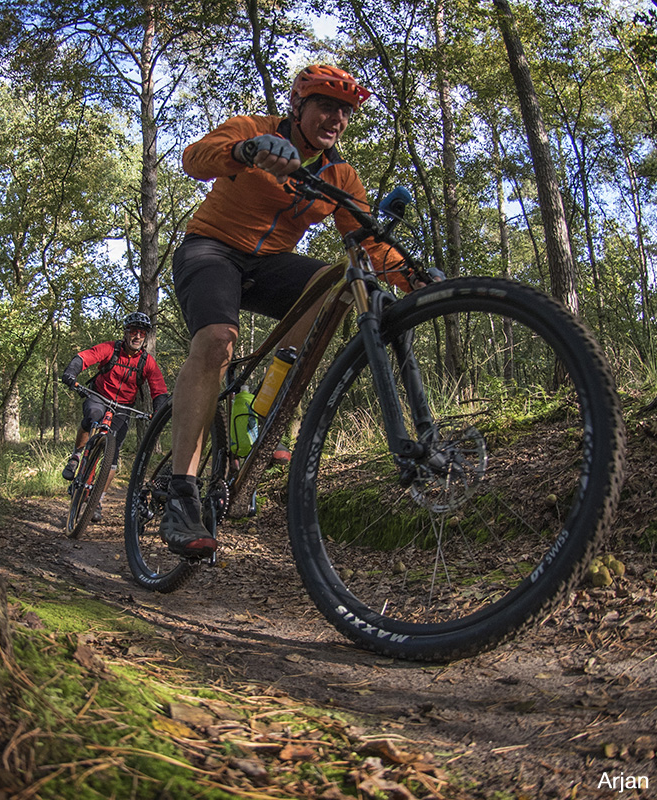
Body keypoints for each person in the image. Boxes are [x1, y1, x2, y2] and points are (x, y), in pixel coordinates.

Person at [162, 64, 417, 558]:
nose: (336, 118)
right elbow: (195, 158)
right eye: (326, 105)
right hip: (211, 248)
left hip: (270, 263)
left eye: (345, 111)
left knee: (339, 281)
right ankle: (181, 494)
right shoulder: (253, 128)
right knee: (216, 342)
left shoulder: (340, 176)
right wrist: (245, 151)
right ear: (298, 107)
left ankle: (267, 400)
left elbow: (368, 243)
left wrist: (416, 278)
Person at [61, 311, 169, 521]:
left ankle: (97, 500)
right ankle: (77, 455)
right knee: (92, 415)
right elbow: (85, 357)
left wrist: (159, 412)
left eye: (142, 333)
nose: (137, 336)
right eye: (134, 331)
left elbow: (159, 389)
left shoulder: (147, 362)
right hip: (99, 396)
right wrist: (71, 373)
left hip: (123, 407)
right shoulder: (110, 349)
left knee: (113, 454)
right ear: (126, 333)